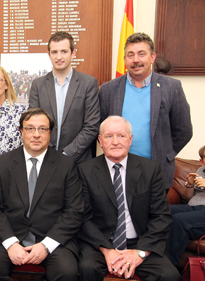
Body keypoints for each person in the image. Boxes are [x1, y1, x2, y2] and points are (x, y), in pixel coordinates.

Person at [0, 108, 84, 281]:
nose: (36, 134)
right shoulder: (2, 163)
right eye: (30, 128)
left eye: (42, 129)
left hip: (51, 238)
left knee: (67, 272)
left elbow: (74, 211)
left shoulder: (66, 165)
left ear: (50, 133)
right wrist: (11, 243)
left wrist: (46, 245)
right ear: (21, 131)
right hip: (10, 234)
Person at [77, 116, 181, 281]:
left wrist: (140, 252)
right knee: (86, 268)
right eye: (109, 136)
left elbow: (161, 216)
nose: (116, 141)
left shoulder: (150, 169)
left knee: (170, 276)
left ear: (130, 140)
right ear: (100, 141)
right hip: (100, 244)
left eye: (121, 136)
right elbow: (83, 218)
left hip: (140, 242)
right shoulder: (85, 171)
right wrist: (107, 250)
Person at [99, 32, 192, 190]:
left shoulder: (171, 88)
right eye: (131, 55)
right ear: (125, 59)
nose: (136, 60)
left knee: (155, 215)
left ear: (152, 57)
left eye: (141, 54)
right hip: (118, 169)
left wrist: (166, 153)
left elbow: (183, 131)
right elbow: (100, 129)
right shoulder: (109, 89)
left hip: (158, 170)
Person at [29, 31, 100, 164]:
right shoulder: (38, 85)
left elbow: (92, 125)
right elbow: (33, 123)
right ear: (48, 55)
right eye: (54, 52)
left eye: (64, 51)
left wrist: (67, 153)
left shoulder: (88, 83)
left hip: (78, 161)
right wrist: (49, 152)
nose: (59, 57)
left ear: (73, 53)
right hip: (45, 159)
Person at [167, 145, 205, 267]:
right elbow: (189, 198)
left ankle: (167, 267)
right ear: (202, 161)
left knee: (179, 221)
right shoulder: (200, 171)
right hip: (194, 207)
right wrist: (189, 185)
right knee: (163, 211)